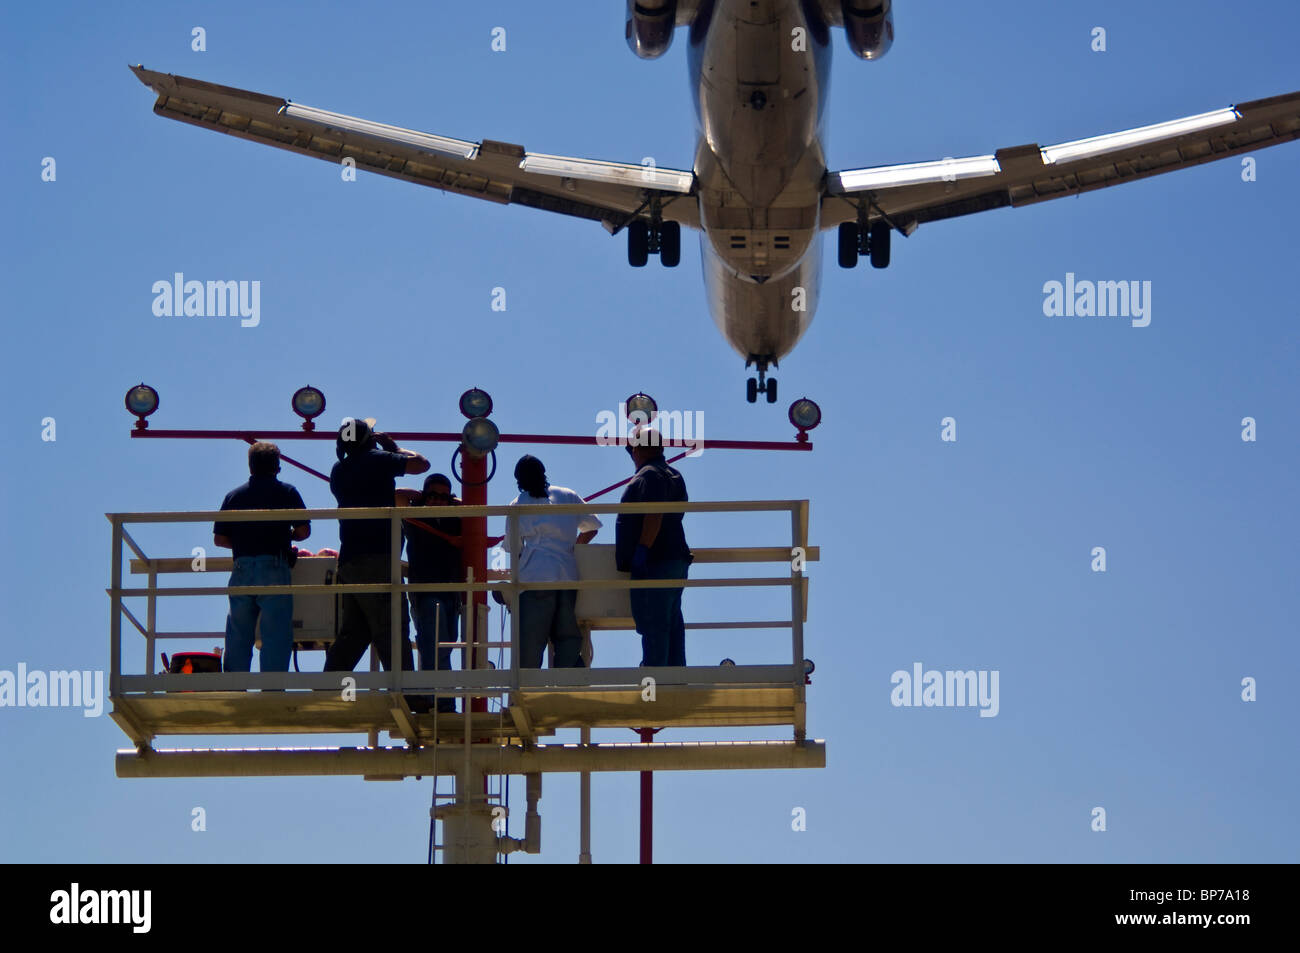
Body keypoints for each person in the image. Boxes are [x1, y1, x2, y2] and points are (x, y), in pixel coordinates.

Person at [324, 417, 428, 673]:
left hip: (349, 560)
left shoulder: (339, 470)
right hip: (378, 558)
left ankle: (326, 688)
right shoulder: (378, 460)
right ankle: (406, 694)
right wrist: (392, 446)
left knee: (355, 632)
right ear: (370, 439)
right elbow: (421, 464)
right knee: (391, 626)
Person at [213, 441, 311, 673]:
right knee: (275, 632)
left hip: (242, 567)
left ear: (250, 467)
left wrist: (245, 541)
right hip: (274, 567)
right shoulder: (287, 492)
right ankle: (272, 688)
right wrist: (288, 536)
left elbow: (220, 539)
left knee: (238, 632)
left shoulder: (234, 496)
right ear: (277, 467)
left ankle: (235, 688)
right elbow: (303, 531)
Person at [507, 455, 601, 668]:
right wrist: (573, 548)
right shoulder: (567, 495)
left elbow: (514, 549)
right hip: (567, 575)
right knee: (567, 636)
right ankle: (564, 684)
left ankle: (529, 689)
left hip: (534, 579)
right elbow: (592, 527)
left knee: (531, 641)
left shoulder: (518, 504)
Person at [616, 426, 691, 667]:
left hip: (656, 560)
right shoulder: (672, 474)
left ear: (637, 449)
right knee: (671, 618)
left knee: (655, 620)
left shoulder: (649, 475)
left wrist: (642, 550)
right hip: (672, 558)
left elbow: (654, 514)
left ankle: (656, 674)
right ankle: (676, 675)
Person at [404, 473, 463, 713]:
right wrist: (420, 498)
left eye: (443, 496)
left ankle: (441, 701)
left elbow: (472, 508)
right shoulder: (413, 516)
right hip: (426, 591)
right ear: (423, 496)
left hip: (451, 593)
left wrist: (452, 501)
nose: (438, 501)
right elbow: (397, 496)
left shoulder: (454, 519)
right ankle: (437, 702)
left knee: (445, 647)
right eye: (432, 495)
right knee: (432, 647)